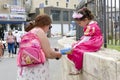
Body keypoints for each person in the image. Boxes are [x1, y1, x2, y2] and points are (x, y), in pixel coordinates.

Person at [17, 14, 62, 80]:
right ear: (46, 24)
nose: (49, 29)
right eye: (50, 27)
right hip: (37, 72)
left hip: (25, 71)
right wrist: (59, 54)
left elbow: (39, 49)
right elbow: (49, 54)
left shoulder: (30, 32)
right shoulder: (40, 31)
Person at [67, 7, 103, 75]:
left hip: (94, 42)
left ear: (86, 20)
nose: (79, 25)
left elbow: (86, 39)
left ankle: (77, 68)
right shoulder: (91, 24)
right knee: (74, 46)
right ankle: (76, 64)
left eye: (79, 23)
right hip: (95, 41)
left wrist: (75, 46)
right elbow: (86, 38)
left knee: (76, 50)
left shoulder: (90, 27)